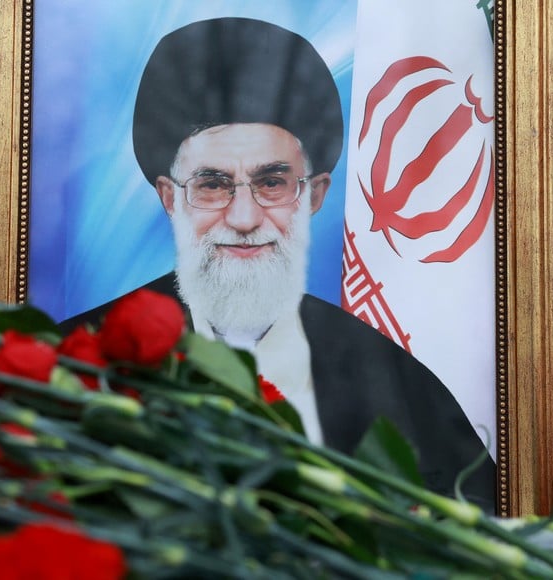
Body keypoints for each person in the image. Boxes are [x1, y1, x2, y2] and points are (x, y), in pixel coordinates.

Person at [62, 17, 495, 512]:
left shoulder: (393, 378)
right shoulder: (81, 354)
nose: (244, 218)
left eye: (272, 183)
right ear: (170, 198)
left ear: (313, 195)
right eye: (212, 184)